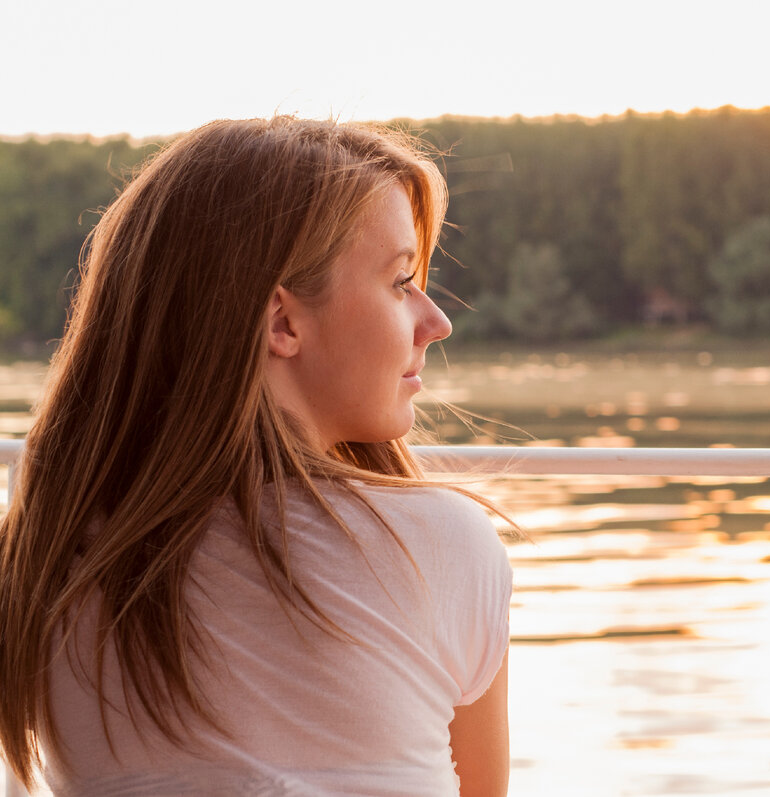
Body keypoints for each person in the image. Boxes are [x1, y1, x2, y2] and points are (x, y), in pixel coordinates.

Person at [0, 117, 512, 796]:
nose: (435, 321)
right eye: (400, 281)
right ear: (282, 323)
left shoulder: (42, 562)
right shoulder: (440, 549)